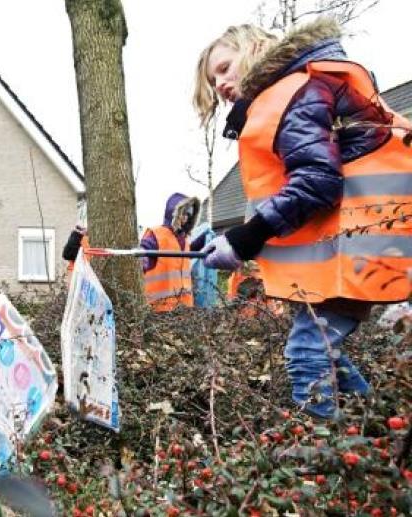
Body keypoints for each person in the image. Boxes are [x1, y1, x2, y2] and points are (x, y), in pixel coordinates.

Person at [193, 18, 412, 418]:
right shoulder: (293, 91)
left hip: (356, 249)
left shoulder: (292, 94)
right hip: (356, 247)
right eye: (213, 81)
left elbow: (316, 182)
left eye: (224, 68)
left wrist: (246, 238)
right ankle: (377, 430)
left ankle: (326, 463)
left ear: (254, 49)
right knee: (324, 351)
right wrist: (231, 237)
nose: (221, 85)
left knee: (307, 352)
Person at [140, 193, 202, 312]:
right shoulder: (157, 234)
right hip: (159, 309)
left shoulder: (185, 242)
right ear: (174, 213)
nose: (186, 218)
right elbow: (143, 255)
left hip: (185, 309)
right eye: (183, 213)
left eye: (189, 215)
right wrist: (143, 257)